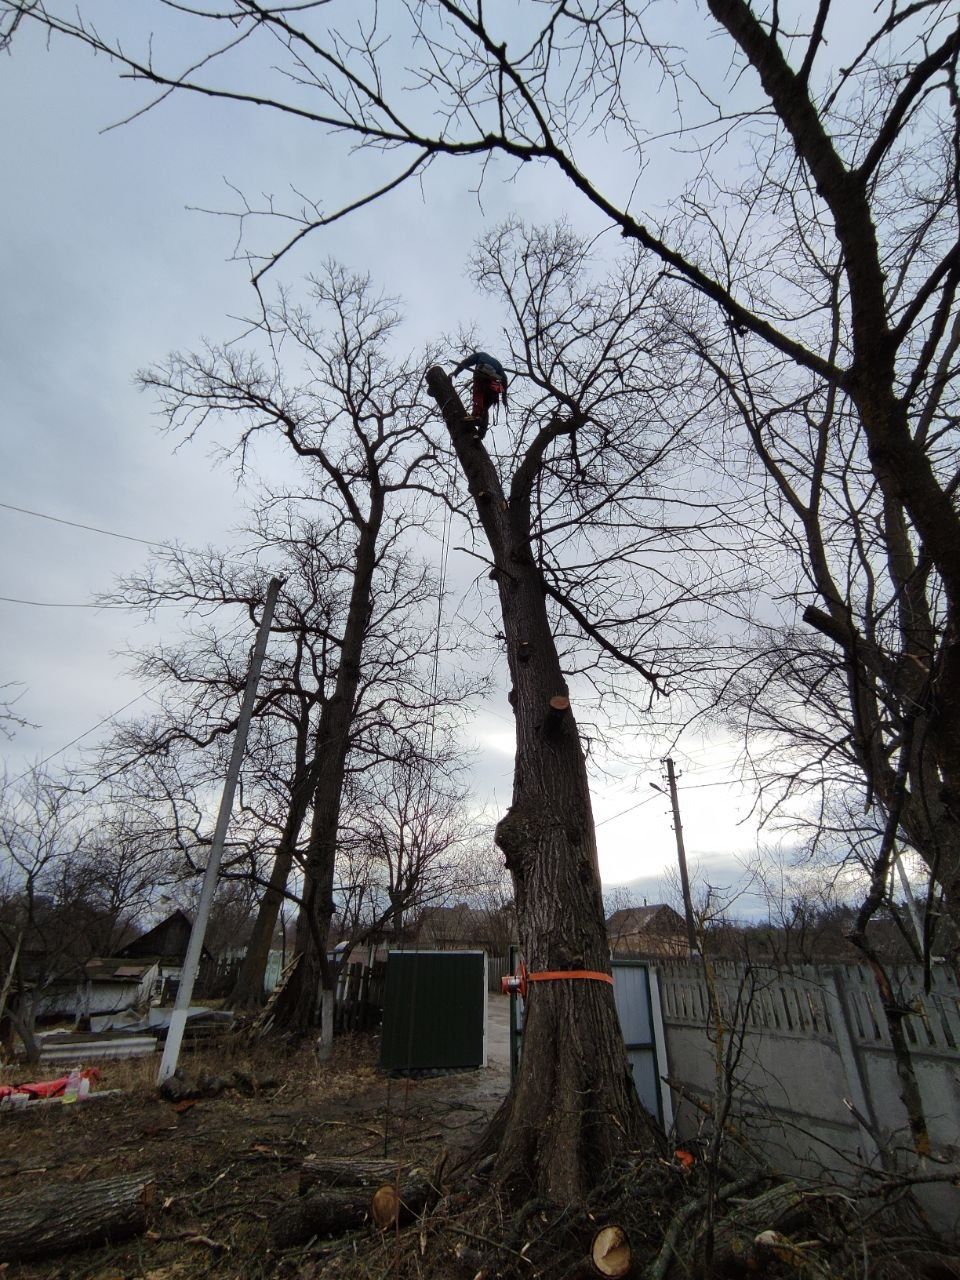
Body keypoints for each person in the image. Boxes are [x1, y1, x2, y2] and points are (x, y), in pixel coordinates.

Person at [452, 350, 508, 437]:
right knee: (484, 408)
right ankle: (481, 433)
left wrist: (456, 372)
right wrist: (504, 398)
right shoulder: (498, 364)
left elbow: (466, 362)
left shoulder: (480, 355)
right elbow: (504, 380)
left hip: (481, 379)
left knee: (478, 396)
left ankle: (476, 416)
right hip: (493, 388)